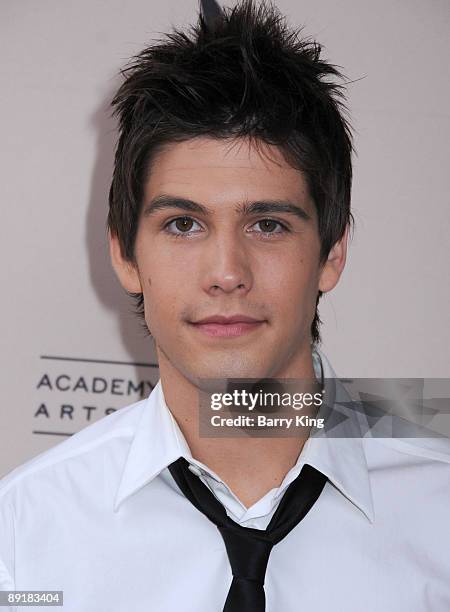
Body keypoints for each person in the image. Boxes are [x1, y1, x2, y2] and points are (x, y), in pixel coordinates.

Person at [1, 1, 449, 610]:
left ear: (332, 252)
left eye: (267, 224)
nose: (227, 274)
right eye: (183, 224)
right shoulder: (26, 529)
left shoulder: (440, 511)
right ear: (124, 254)